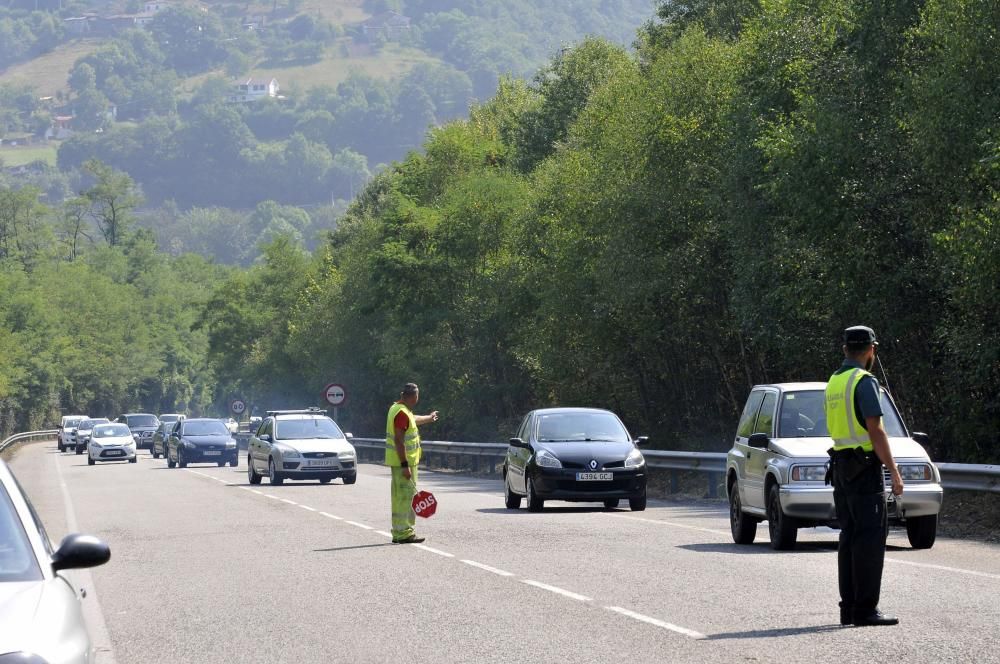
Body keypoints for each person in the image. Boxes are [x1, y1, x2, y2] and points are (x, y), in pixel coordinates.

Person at [825, 325, 904, 627]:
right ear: (871, 350)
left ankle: (849, 608)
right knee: (870, 540)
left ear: (845, 349)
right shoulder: (864, 381)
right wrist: (894, 471)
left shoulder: (835, 381)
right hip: (864, 468)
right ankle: (866, 610)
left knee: (849, 538)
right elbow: (876, 429)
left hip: (841, 467)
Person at [385, 383, 439, 544]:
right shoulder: (401, 413)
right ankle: (404, 533)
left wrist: (429, 418)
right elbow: (399, 441)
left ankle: (401, 531)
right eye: (416, 397)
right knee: (405, 498)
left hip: (403, 462)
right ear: (412, 397)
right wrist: (404, 465)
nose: (417, 400)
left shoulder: (398, 409)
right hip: (404, 463)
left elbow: (412, 419)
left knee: (402, 497)